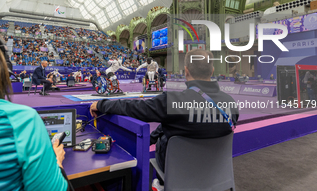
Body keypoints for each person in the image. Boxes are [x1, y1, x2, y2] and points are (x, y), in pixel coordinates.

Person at [89, 49, 239, 191]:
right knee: (174, 123)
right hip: (216, 171)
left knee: (170, 128)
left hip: (178, 169)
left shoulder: (172, 101)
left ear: (186, 71)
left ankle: (160, 184)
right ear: (212, 71)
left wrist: (102, 104)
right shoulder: (231, 103)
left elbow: (134, 107)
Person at [0, 26, 73, 190]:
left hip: (41, 80)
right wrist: (57, 162)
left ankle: (47, 89)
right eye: (45, 62)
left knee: (50, 81)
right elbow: (38, 77)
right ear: (1, 67)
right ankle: (45, 90)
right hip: (37, 81)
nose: (46, 63)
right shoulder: (23, 120)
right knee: (47, 81)